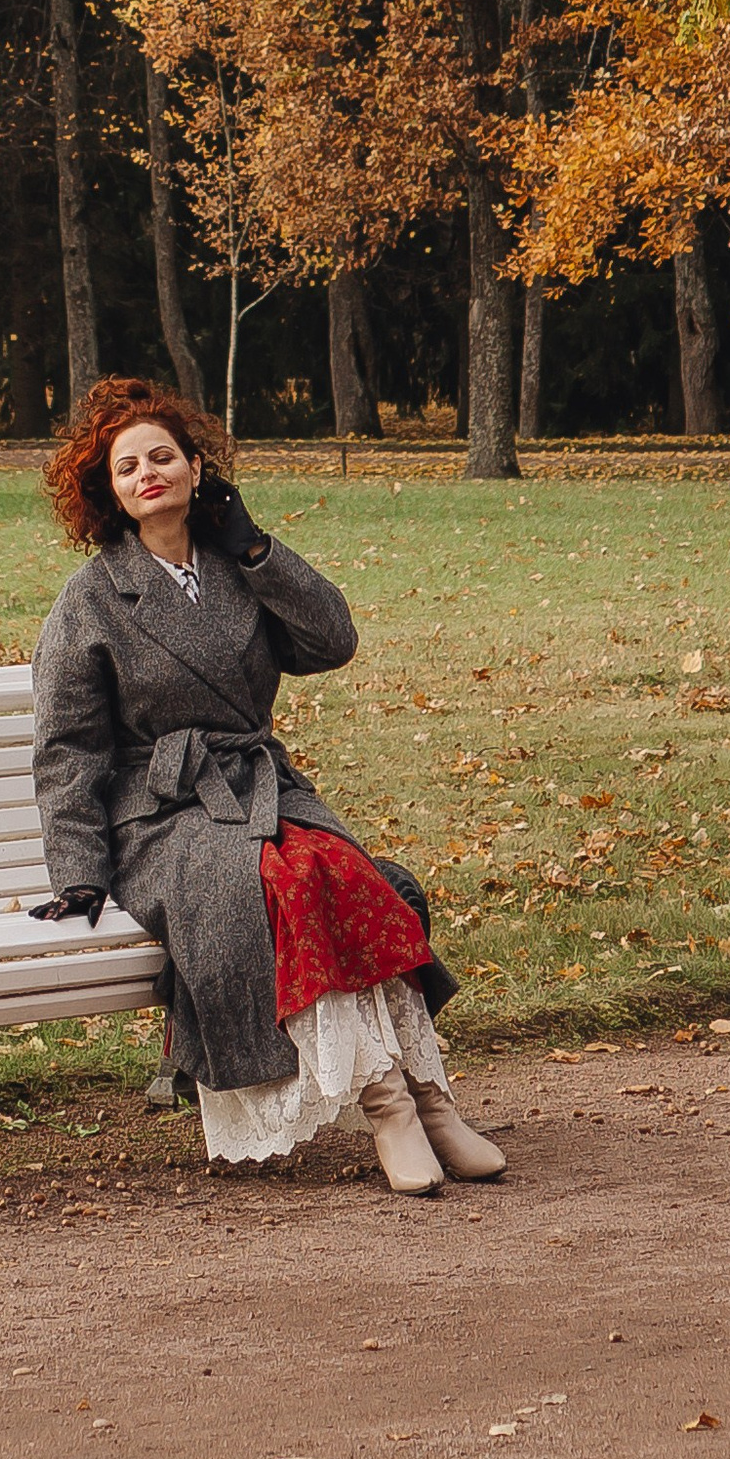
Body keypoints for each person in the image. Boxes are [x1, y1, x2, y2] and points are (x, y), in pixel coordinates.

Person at [28, 377, 505, 1195]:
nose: (147, 474)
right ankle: (389, 1108)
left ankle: (433, 1102)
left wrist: (256, 550)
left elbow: (331, 640)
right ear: (109, 493)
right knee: (292, 882)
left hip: (260, 786)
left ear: (195, 468)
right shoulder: (92, 599)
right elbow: (68, 749)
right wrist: (78, 870)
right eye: (126, 466)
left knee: (348, 874)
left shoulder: (237, 565)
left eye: (162, 456)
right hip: (162, 815)